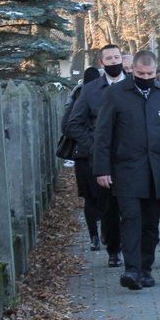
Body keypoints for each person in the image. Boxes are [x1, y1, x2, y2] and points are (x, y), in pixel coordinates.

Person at [92, 50, 160, 291]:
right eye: (139, 73)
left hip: (157, 171)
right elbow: (103, 134)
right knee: (131, 220)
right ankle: (132, 270)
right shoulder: (115, 94)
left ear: (155, 72)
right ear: (131, 70)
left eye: (149, 73)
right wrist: (102, 169)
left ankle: (146, 268)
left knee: (150, 224)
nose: (145, 77)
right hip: (126, 170)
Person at [66, 44, 125, 268]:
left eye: (116, 57)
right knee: (109, 207)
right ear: (102, 63)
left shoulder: (133, 85)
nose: (113, 62)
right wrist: (94, 146)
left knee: (131, 206)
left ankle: (134, 248)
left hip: (131, 156)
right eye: (108, 59)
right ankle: (113, 249)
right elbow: (74, 123)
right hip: (103, 159)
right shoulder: (90, 90)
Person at [61, 66, 102, 249]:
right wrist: (90, 141)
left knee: (92, 198)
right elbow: (68, 126)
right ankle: (96, 236)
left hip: (86, 153)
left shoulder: (79, 93)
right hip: (86, 154)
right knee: (93, 197)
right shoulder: (80, 95)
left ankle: (96, 236)